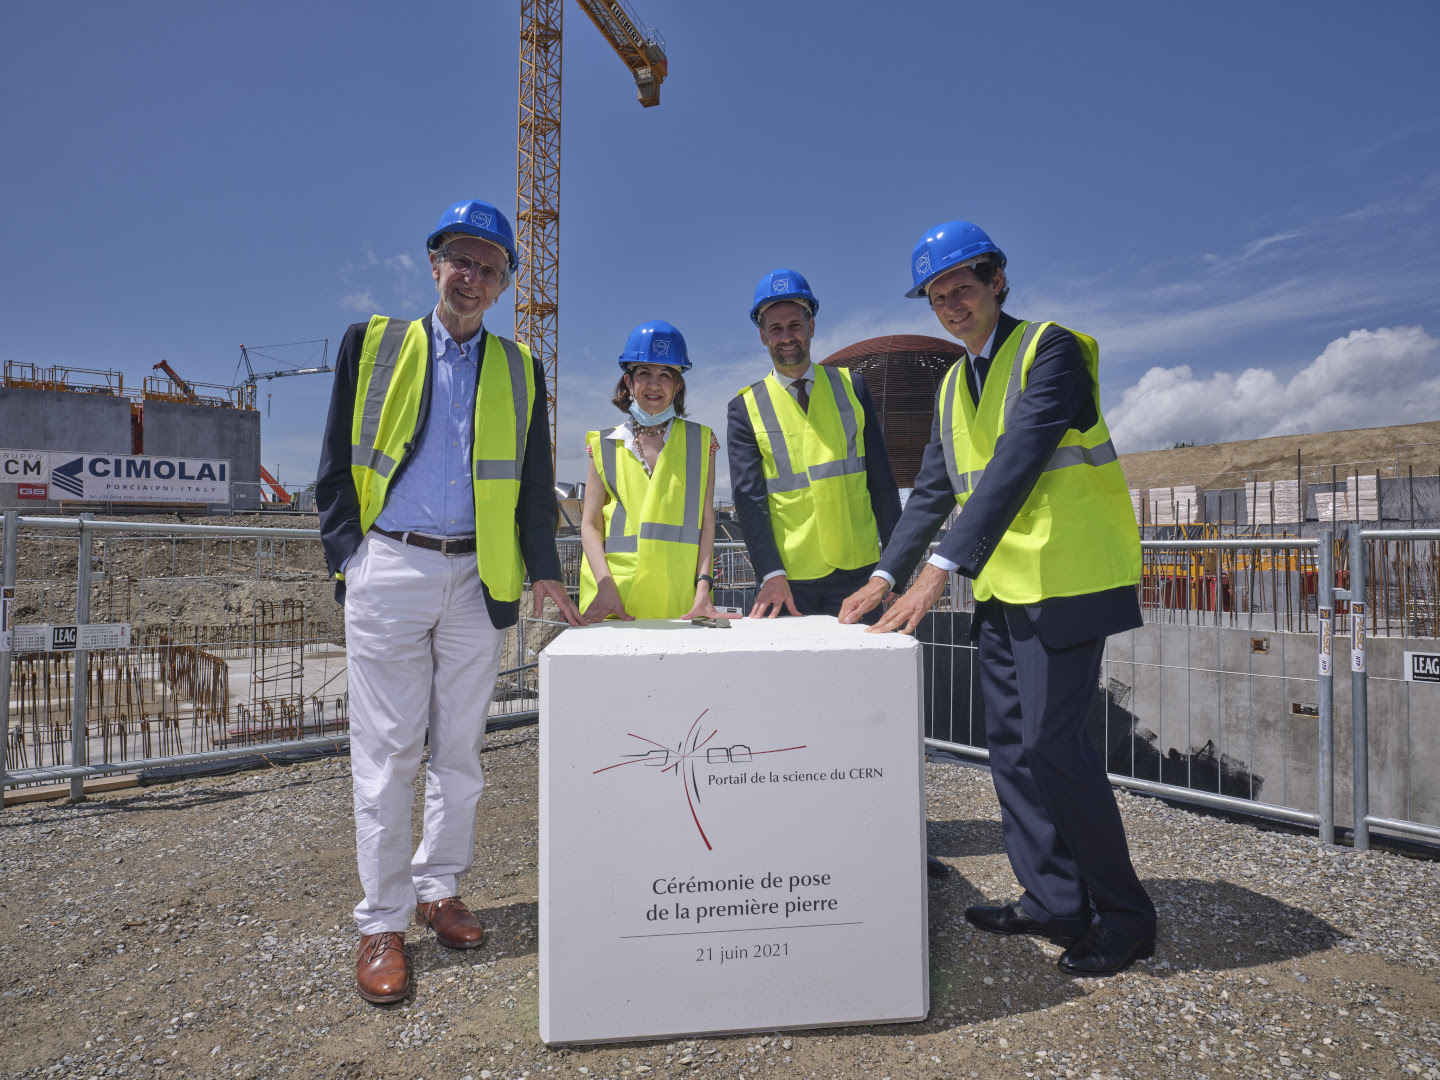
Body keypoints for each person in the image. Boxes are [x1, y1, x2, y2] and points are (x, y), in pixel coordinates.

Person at [839, 220, 1157, 976]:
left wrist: (938, 570)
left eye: (963, 289)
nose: (951, 306)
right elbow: (934, 492)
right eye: (938, 297)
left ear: (997, 281)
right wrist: (886, 574)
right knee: (1011, 750)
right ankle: (1052, 900)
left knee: (1055, 747)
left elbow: (1018, 461)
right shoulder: (954, 382)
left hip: (1070, 578)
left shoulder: (1053, 350)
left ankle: (1125, 915)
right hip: (1008, 585)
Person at [316, 198, 583, 1004]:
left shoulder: (519, 367)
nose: (472, 277)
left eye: (489, 267)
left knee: (460, 753)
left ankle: (439, 889)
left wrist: (543, 567)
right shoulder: (375, 344)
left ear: (503, 287)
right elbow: (335, 461)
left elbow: (535, 484)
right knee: (390, 753)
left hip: (479, 577)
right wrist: (348, 562)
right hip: (391, 565)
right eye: (460, 260)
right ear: (435, 264)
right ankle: (382, 923)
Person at [726, 269, 902, 623]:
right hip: (789, 581)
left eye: (795, 325)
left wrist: (895, 568)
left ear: (812, 327)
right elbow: (750, 504)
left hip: (860, 573)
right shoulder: (745, 408)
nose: (786, 336)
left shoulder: (853, 388)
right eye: (775, 329)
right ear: (762, 336)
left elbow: (881, 483)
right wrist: (770, 573)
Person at [579, 320, 729, 622]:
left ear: (678, 384)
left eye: (665, 375)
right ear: (628, 381)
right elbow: (590, 525)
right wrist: (605, 586)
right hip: (615, 599)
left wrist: (704, 589)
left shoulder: (702, 442)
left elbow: (706, 521)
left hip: (679, 599)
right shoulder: (604, 444)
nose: (654, 384)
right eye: (644, 373)